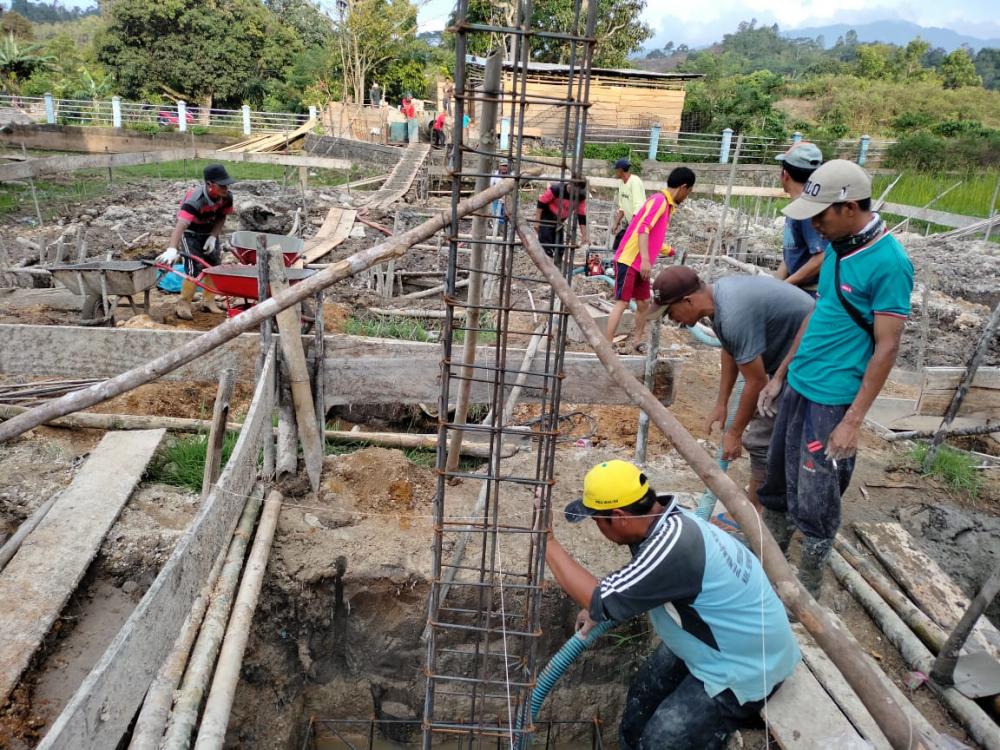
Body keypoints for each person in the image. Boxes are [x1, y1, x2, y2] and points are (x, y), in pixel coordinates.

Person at [542, 459, 799, 749]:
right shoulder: (670, 522)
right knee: (641, 700)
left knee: (661, 741)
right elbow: (631, 588)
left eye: (597, 520)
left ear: (619, 516)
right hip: (725, 641)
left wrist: (547, 541)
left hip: (746, 668)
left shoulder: (675, 548)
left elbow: (599, 599)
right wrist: (603, 604)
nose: (598, 528)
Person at [757, 160, 914, 597]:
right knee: (778, 480)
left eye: (821, 215)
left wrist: (852, 421)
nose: (816, 225)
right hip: (801, 383)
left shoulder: (889, 262)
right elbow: (819, 316)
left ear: (848, 207)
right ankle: (771, 562)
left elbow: (887, 347)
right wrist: (781, 374)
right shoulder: (836, 250)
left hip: (834, 398)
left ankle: (807, 582)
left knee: (817, 493)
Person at [649, 267, 813, 511]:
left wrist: (734, 433)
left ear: (688, 301)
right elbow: (730, 349)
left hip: (810, 359)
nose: (672, 320)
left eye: (671, 312)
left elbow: (757, 382)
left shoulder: (734, 314)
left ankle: (760, 518)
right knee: (767, 435)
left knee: (761, 440)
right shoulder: (719, 300)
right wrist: (721, 403)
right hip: (786, 357)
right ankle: (764, 506)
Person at [605, 166, 695, 354]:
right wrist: (646, 260)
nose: (687, 196)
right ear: (684, 187)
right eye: (688, 192)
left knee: (644, 302)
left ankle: (637, 340)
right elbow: (643, 229)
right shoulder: (659, 201)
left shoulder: (667, 206)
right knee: (622, 302)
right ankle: (606, 345)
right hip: (629, 259)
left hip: (641, 264)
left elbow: (654, 238)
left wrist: (671, 251)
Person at [156, 163, 235, 320]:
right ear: (209, 184)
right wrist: (172, 249)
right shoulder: (195, 199)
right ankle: (183, 303)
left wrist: (213, 236)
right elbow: (181, 224)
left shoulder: (227, 197)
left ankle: (208, 301)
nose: (226, 189)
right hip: (190, 232)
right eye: (222, 186)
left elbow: (222, 216)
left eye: (227, 185)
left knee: (213, 266)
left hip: (209, 231)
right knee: (193, 268)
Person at [773, 142, 825, 296]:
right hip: (797, 289)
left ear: (785, 175)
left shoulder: (808, 211)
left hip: (809, 293)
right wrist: (774, 285)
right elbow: (792, 254)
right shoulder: (796, 207)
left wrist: (787, 285)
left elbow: (822, 257)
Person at [534, 181, 588, 266]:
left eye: (576, 190)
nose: (572, 190)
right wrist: (537, 222)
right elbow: (541, 202)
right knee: (546, 244)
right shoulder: (557, 189)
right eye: (571, 187)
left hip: (560, 220)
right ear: (570, 183)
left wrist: (584, 235)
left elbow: (581, 215)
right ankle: (547, 267)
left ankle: (557, 267)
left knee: (560, 247)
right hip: (547, 216)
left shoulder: (581, 196)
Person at [611, 158, 645, 252]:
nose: (615, 172)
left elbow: (639, 207)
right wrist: (616, 223)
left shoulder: (635, 182)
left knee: (624, 246)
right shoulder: (621, 183)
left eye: (616, 170)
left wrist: (631, 228)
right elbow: (622, 207)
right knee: (619, 241)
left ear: (620, 170)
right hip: (632, 224)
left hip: (639, 223)